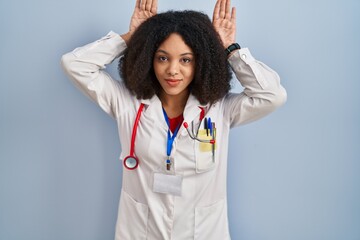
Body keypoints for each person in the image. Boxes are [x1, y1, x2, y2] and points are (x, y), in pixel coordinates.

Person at [61, 0, 287, 239]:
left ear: (201, 62)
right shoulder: (127, 103)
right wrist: (131, 37)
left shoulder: (219, 110)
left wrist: (229, 48)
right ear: (149, 58)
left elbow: (272, 95)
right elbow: (74, 65)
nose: (172, 70)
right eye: (162, 58)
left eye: (186, 60)